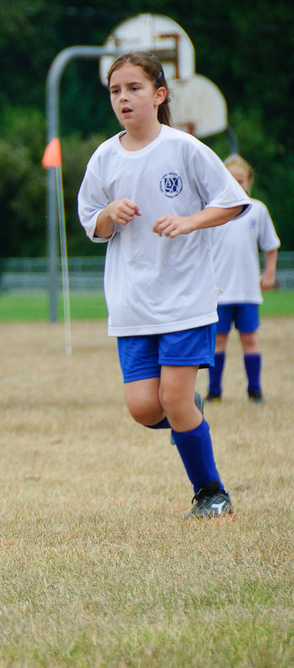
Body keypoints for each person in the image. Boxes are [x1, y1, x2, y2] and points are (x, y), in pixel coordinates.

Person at [77, 52, 251, 519]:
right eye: (115, 91)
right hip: (132, 303)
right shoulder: (104, 157)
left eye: (133, 88)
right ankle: (186, 412)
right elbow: (91, 223)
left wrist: (191, 221)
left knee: (171, 399)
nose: (123, 98)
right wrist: (109, 215)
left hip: (184, 298)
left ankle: (210, 491)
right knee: (143, 409)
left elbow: (234, 202)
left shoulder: (185, 148)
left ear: (159, 95)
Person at [206, 154, 281, 403]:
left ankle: (255, 390)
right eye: (231, 179)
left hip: (247, 290)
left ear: (249, 181)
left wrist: (269, 272)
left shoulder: (257, 210)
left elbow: (270, 245)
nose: (237, 184)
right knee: (218, 340)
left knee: (250, 338)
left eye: (241, 180)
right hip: (218, 291)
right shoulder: (212, 212)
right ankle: (215, 391)